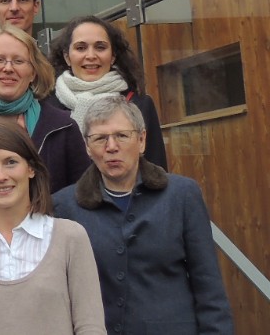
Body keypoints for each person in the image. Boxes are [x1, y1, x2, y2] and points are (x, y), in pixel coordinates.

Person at [54, 96, 233, 333]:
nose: (111, 147)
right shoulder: (64, 206)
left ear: (141, 140)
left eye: (121, 135)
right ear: (87, 147)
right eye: (100, 138)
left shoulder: (181, 195)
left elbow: (208, 285)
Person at [0, 121, 105, 334]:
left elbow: (90, 327)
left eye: (10, 162)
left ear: (31, 168)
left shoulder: (70, 237)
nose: (0, 176)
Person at [0, 25, 89, 191]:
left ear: (33, 72)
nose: (8, 68)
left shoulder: (63, 126)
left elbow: (81, 194)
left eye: (18, 61)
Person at [48, 15, 168, 170]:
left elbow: (156, 168)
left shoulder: (139, 104)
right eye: (81, 48)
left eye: (100, 47)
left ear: (113, 57)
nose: (91, 56)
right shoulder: (47, 107)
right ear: (67, 57)